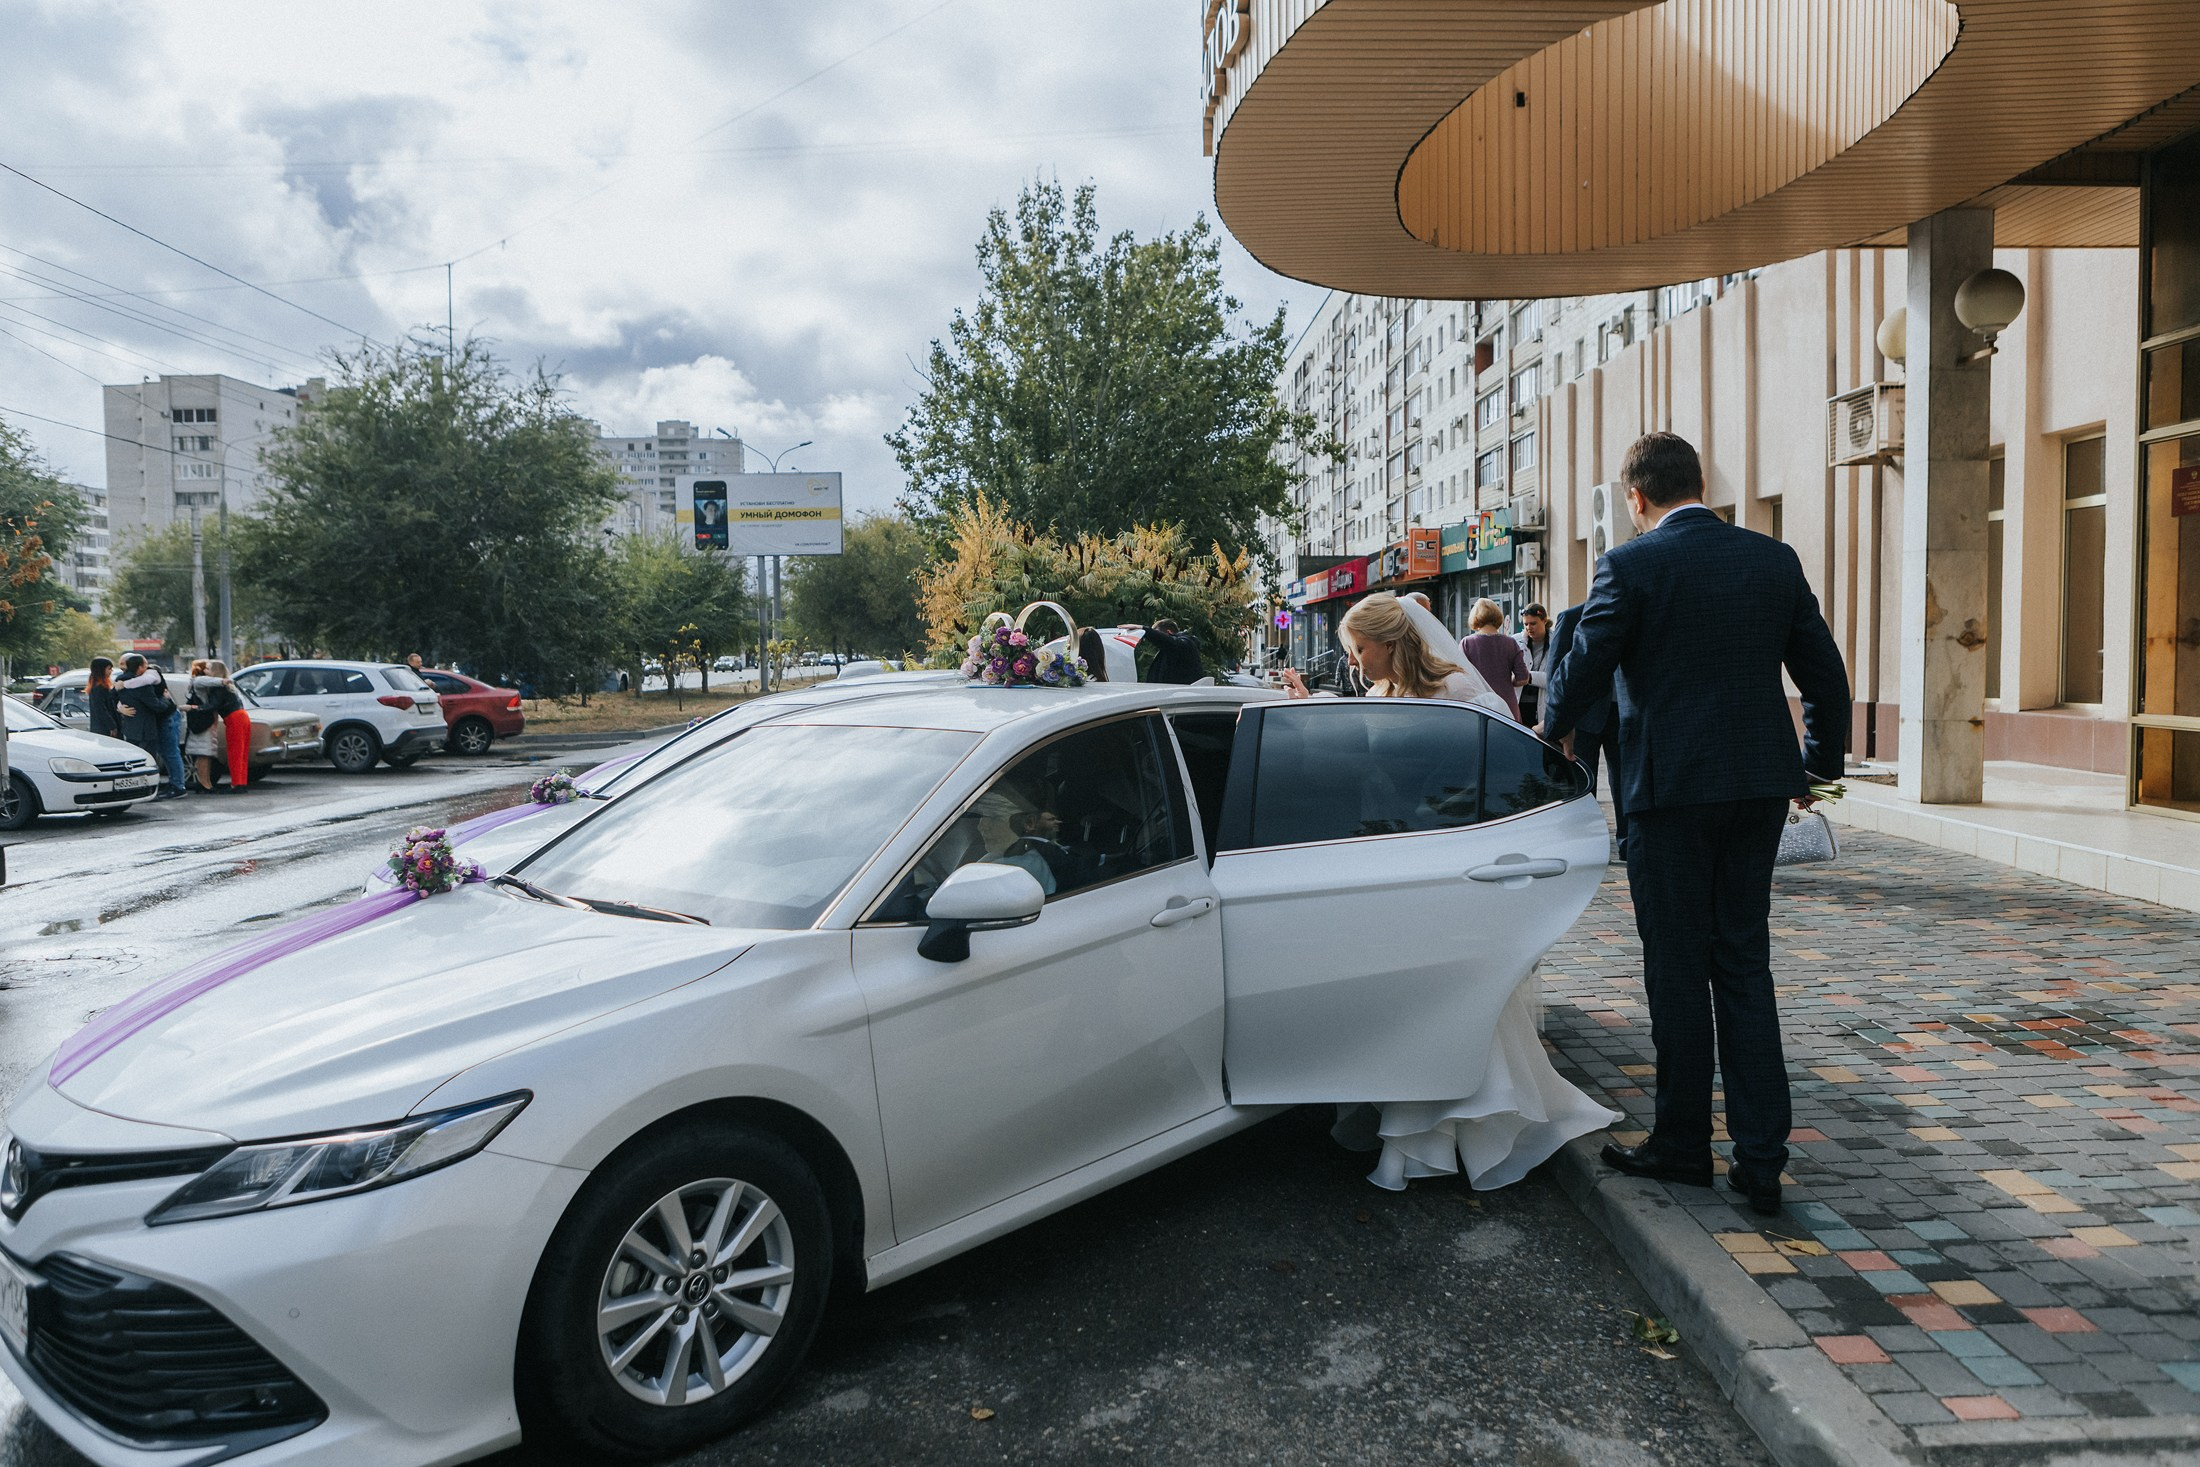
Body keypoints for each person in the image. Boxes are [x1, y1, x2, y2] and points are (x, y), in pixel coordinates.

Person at [1543, 432, 1849, 1216]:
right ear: (1700, 483)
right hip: (1755, 792)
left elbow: (1579, 670)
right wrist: (1818, 764)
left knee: (1677, 968)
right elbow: (1824, 672)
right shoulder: (1771, 559)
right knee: (1743, 963)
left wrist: (1550, 731)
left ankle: (1683, 1144)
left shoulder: (1631, 564)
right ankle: (1761, 1158)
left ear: (1635, 499)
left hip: (1669, 795)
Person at [1281, 592, 1616, 1189]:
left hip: (1448, 874)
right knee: (1408, 1004)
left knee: (1448, 1000)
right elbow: (1359, 766)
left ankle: (1445, 1135)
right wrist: (1308, 712)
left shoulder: (1461, 694)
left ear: (1390, 642)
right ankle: (1414, 1137)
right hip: (1394, 871)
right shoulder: (1380, 694)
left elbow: (1511, 768)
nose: (1355, 664)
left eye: (1359, 650)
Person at [1544, 601, 1627, 854]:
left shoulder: (1630, 613)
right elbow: (1555, 670)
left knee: (1624, 779)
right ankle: (1584, 842)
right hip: (1583, 717)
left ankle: (1627, 841)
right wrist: (1559, 720)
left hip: (1623, 713)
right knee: (1582, 779)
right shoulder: (1572, 618)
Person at [115, 654, 186, 799]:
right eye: (121, 663)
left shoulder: (151, 672)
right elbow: (117, 695)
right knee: (164, 752)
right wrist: (119, 706)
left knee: (170, 752)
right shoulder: (128, 677)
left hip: (168, 716)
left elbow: (145, 681)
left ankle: (178, 786)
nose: (123, 666)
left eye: (125, 663)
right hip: (158, 718)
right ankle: (173, 783)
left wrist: (123, 685)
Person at [1457, 599, 1530, 722]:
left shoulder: (1467, 643)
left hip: (1478, 706)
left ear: (1475, 618)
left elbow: (1460, 678)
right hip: (1507, 706)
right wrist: (1508, 681)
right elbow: (1523, 678)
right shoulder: (1510, 643)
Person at [186, 660, 251, 793]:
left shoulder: (218, 687)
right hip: (242, 716)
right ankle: (241, 783)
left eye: (209, 669)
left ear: (215, 671)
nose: (205, 671)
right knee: (242, 752)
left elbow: (213, 705)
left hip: (234, 718)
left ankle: (236, 785)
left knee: (235, 753)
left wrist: (194, 708)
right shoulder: (227, 686)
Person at [1515, 603, 1552, 728]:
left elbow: (1555, 679)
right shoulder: (1514, 642)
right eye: (1526, 624)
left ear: (1545, 621)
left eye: (1533, 623)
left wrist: (1528, 677)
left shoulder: (1557, 643)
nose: (1529, 628)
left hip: (1544, 705)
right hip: (1519, 704)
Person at [1140, 619, 1204, 685]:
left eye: (1157, 633)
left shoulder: (1186, 644)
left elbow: (1171, 643)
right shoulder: (1167, 652)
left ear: (1169, 632)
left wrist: (1145, 630)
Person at [85, 656, 122, 740]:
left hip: (102, 728)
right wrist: (112, 726)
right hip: (104, 729)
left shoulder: (100, 687)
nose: (111, 671)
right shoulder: (98, 688)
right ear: (101, 670)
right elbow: (101, 710)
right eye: (109, 669)